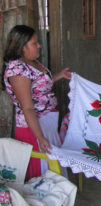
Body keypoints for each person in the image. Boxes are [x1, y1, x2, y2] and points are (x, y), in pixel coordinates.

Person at [2, 25, 71, 180]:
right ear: (22, 47)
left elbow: (38, 86)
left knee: (51, 165)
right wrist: (39, 137)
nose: (39, 45)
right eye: (34, 43)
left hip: (46, 122)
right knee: (41, 168)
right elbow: (27, 108)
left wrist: (59, 75)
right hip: (32, 127)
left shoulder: (31, 62)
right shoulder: (17, 71)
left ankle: (56, 197)